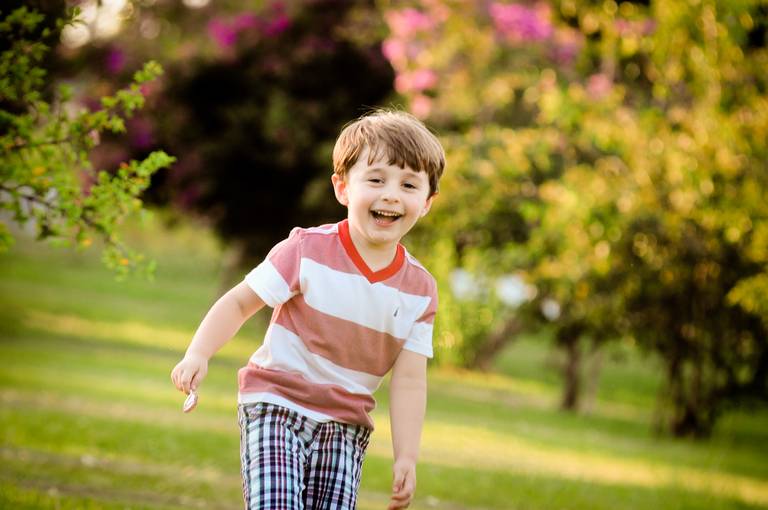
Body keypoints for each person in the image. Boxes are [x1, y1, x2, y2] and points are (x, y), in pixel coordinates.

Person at [171, 109, 445, 510]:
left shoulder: (419, 290)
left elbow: (409, 380)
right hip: (276, 404)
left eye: (408, 185)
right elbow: (240, 301)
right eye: (375, 180)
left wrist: (407, 455)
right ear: (342, 188)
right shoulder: (306, 250)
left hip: (346, 426)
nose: (391, 195)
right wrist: (198, 352)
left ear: (426, 203)